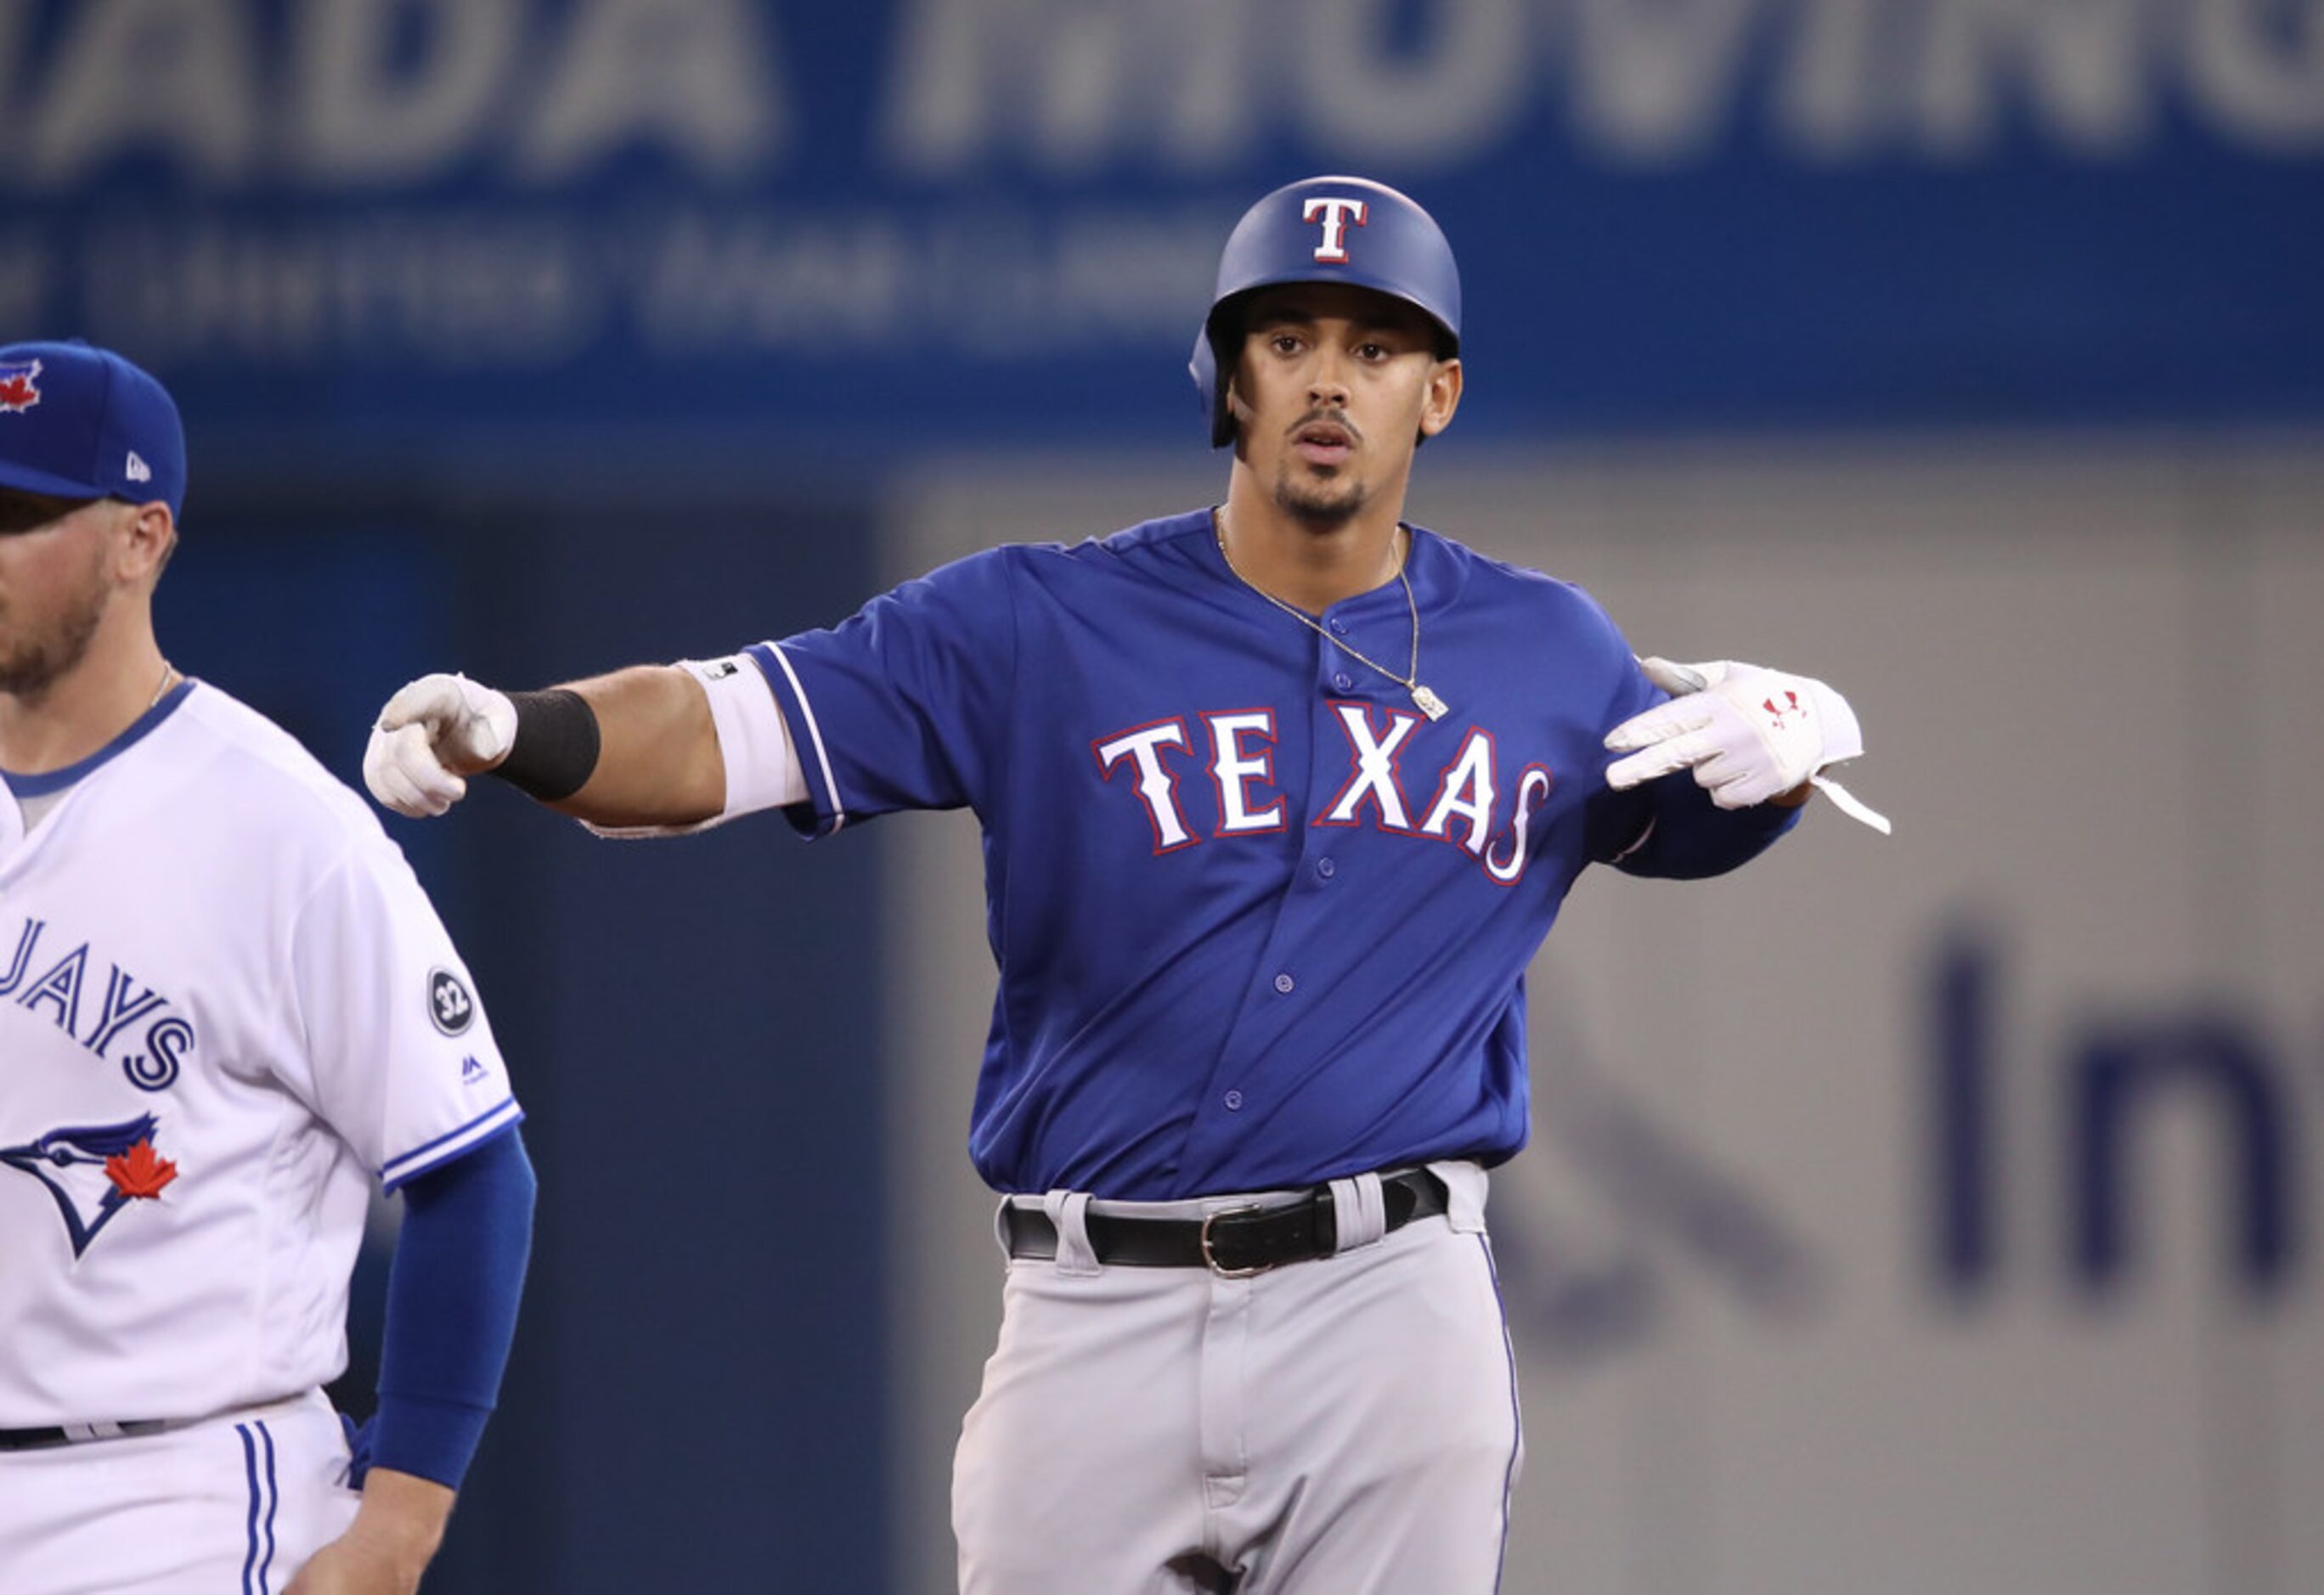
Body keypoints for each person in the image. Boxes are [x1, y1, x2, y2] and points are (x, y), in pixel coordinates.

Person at [364, 175, 1883, 1593]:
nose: (1328, 380)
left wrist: (1797, 745)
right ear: (1230, 380)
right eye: (1286, 339)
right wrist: (528, 729)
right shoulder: (1043, 624)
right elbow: (735, 721)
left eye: (1375, 344)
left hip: (1385, 1303)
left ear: (1442, 392)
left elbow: (1701, 815)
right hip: (1095, 1307)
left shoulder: (1547, 651)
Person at [0, 340, 533, 1595]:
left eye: (19, 515)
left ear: (142, 538)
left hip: (167, 1501)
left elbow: (473, 1171)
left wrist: (396, 1527)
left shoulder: (282, 830)